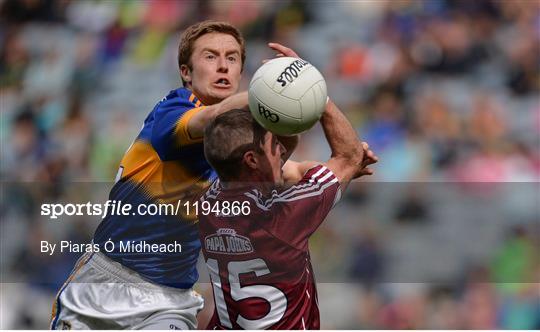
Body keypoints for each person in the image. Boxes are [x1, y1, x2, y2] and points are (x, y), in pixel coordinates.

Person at [50, 20, 257, 330]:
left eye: (232, 58)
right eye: (211, 57)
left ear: (240, 71)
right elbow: (211, 117)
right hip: (105, 282)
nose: (223, 67)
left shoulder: (238, 142)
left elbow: (289, 174)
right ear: (186, 72)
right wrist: (273, 91)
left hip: (170, 300)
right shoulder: (173, 112)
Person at [198, 98, 378, 328]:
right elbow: (349, 156)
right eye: (274, 146)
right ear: (252, 160)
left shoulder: (207, 204)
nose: (282, 150)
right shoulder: (282, 215)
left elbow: (286, 169)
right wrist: (317, 95)